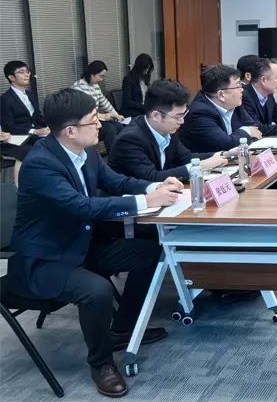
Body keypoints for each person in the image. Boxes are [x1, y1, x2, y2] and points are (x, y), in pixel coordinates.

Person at [6, 88, 181, 397]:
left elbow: (117, 182)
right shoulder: (41, 164)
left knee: (151, 252)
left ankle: (122, 329)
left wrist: (155, 186)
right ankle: (102, 363)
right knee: (97, 290)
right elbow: (81, 206)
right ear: (70, 131)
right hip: (44, 260)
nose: (101, 124)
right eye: (93, 120)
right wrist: (146, 201)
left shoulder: (86, 152)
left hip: (80, 246)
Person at [108, 79, 231, 182]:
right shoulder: (130, 139)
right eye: (178, 116)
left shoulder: (167, 129)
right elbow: (151, 177)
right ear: (156, 116)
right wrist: (198, 167)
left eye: (183, 115)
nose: (182, 121)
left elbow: (186, 157)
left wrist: (224, 154)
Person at [179, 64, 262, 153]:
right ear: (221, 95)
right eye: (238, 86)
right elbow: (225, 145)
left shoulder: (234, 104)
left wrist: (243, 134)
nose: (242, 90)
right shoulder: (199, 113)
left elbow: (255, 128)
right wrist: (247, 130)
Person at [0, 60, 49, 161]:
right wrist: (34, 131)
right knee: (41, 149)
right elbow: (9, 126)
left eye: (27, 72)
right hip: (19, 138)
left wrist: (51, 126)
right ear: (11, 77)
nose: (27, 75)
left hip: (36, 135)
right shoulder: (5, 99)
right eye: (21, 72)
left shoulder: (30, 95)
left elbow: (38, 116)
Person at [72, 60, 126, 150]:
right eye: (101, 76)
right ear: (92, 74)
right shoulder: (78, 87)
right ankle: (114, 156)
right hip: (85, 122)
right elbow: (82, 112)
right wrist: (103, 116)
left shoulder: (96, 86)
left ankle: (123, 152)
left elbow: (104, 102)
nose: (102, 79)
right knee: (110, 130)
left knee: (119, 126)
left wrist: (116, 115)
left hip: (95, 119)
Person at [120, 53, 154, 117]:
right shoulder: (128, 79)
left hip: (144, 110)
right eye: (145, 68)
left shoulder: (145, 78)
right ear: (140, 67)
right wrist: (144, 106)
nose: (147, 71)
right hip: (133, 112)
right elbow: (127, 102)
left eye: (148, 68)